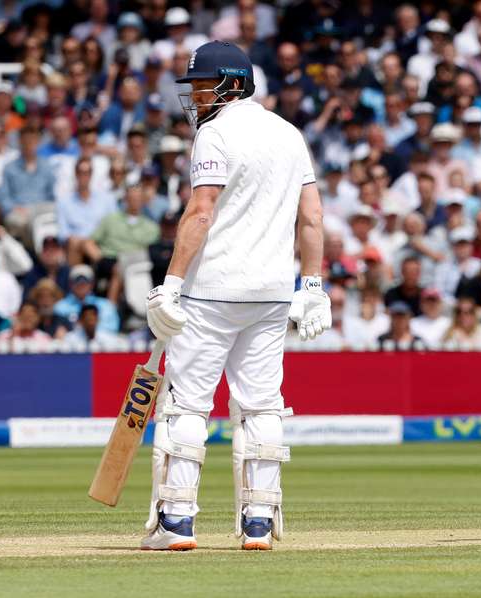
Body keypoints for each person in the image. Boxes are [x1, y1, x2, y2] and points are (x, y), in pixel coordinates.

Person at [140, 42, 330, 552]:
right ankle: (259, 523)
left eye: (203, 84)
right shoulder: (289, 133)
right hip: (271, 293)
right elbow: (311, 217)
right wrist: (311, 285)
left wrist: (172, 284)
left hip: (211, 291)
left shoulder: (215, 132)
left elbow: (201, 211)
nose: (196, 95)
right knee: (262, 405)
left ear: (232, 82)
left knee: (187, 407)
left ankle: (177, 522)